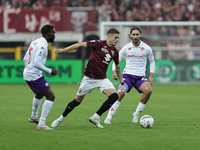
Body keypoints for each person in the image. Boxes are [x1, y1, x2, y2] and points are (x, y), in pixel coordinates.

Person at [51, 28, 126, 128]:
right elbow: (80, 44)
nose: (117, 40)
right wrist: (63, 50)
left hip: (102, 79)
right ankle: (61, 118)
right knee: (76, 101)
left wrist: (122, 83)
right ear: (109, 36)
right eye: (116, 38)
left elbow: (118, 68)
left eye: (118, 38)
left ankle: (96, 117)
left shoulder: (115, 52)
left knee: (114, 96)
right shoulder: (98, 44)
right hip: (88, 79)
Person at [104, 26, 155, 124]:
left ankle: (136, 114)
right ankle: (109, 117)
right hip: (127, 76)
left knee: (148, 90)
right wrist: (114, 72)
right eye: (133, 34)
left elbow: (152, 61)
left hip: (140, 77)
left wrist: (151, 76)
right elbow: (116, 60)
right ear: (130, 36)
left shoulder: (147, 48)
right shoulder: (126, 47)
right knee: (121, 93)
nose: (135, 36)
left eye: (137, 34)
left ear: (140, 35)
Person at [23, 24, 57, 130]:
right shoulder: (42, 46)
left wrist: (28, 68)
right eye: (53, 33)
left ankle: (34, 116)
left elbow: (25, 58)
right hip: (34, 75)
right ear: (47, 34)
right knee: (51, 96)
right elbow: (36, 63)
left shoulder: (35, 41)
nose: (54, 35)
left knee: (39, 94)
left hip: (29, 73)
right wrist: (50, 70)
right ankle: (41, 124)